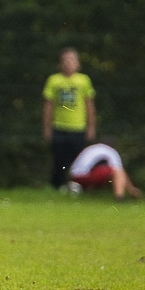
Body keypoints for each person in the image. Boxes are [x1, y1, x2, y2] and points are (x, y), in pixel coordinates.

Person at [42, 47, 97, 190]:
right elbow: (48, 106)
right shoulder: (54, 80)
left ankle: (77, 186)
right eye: (65, 60)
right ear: (60, 63)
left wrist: (91, 126)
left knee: (78, 160)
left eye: (72, 60)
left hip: (78, 127)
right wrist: (47, 128)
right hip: (59, 126)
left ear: (78, 64)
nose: (68, 63)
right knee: (59, 159)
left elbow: (89, 105)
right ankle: (57, 187)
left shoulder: (83, 81)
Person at [68, 142, 142, 200]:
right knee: (115, 171)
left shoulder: (92, 148)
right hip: (87, 176)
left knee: (105, 170)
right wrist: (131, 189)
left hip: (74, 177)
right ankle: (120, 196)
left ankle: (79, 188)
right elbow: (119, 170)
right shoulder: (111, 151)